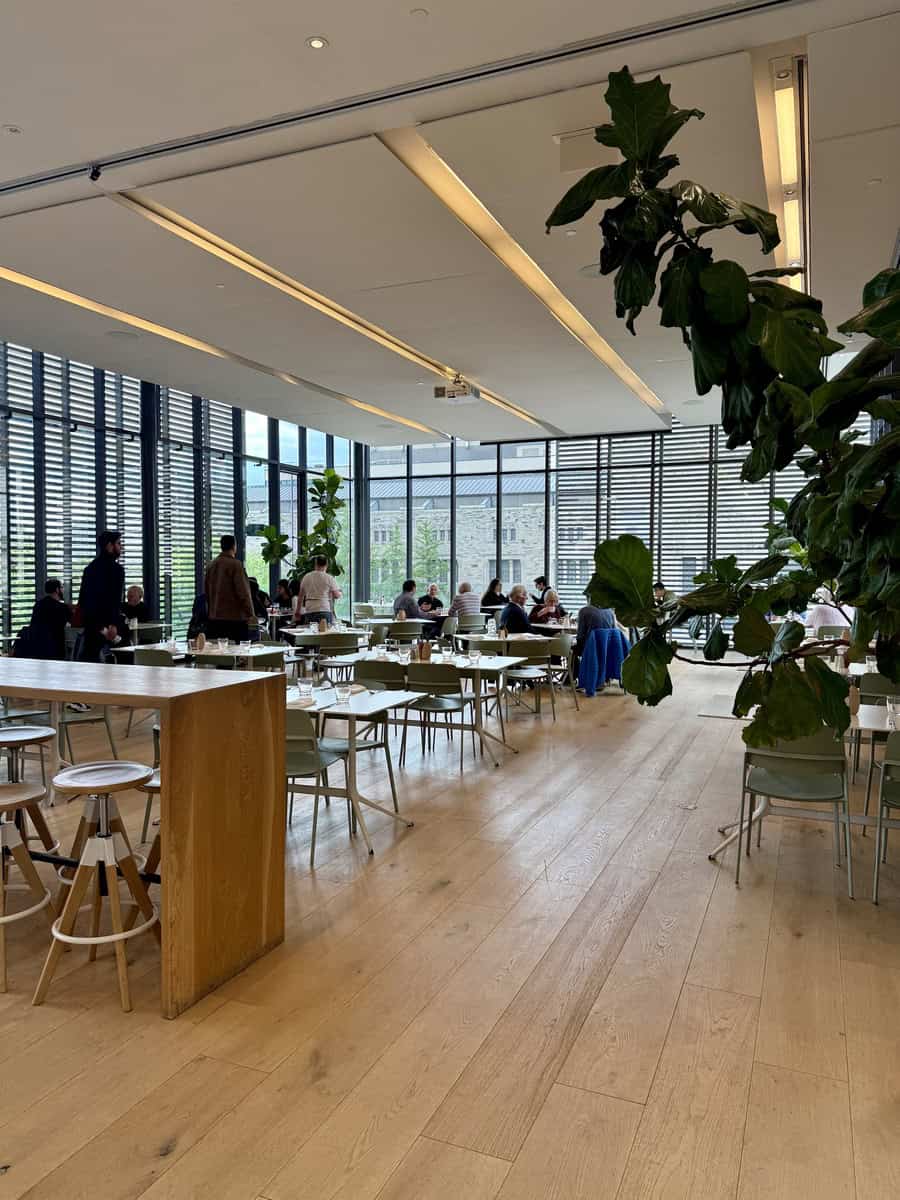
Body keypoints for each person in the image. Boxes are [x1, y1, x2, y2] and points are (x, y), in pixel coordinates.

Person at [77, 529, 126, 661]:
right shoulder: (117, 570)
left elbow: (83, 599)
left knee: (90, 662)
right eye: (118, 543)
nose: (121, 547)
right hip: (108, 626)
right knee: (124, 656)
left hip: (92, 625)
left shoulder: (89, 569)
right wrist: (113, 624)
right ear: (110, 546)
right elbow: (115, 600)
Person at [204, 534, 255, 643]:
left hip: (214, 620)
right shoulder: (236, 565)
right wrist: (250, 614)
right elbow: (243, 593)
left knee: (219, 655)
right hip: (235, 620)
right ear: (234, 546)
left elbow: (207, 593)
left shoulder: (211, 566)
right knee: (238, 654)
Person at [25, 578, 72, 660]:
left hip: (38, 649)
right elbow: (73, 622)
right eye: (62, 587)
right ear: (57, 590)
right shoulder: (62, 607)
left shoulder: (38, 605)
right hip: (55, 649)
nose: (63, 590)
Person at [298, 556, 342, 626]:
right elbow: (336, 595)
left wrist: (298, 611)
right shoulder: (329, 578)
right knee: (325, 634)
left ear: (315, 564)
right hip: (324, 609)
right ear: (326, 565)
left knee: (311, 633)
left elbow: (300, 596)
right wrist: (340, 592)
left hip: (310, 609)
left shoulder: (306, 577)